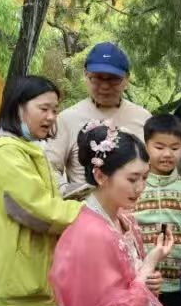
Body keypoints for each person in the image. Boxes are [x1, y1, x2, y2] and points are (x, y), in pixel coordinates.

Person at [0, 76, 83, 306]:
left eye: (55, 110)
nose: (51, 117)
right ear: (17, 107)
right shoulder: (5, 153)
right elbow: (38, 209)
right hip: (17, 285)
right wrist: (92, 215)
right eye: (43, 109)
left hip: (30, 283)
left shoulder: (25, 149)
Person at [49, 121, 172, 306]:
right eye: (132, 179)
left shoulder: (125, 219)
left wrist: (149, 281)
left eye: (145, 177)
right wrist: (148, 266)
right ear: (100, 176)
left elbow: (132, 287)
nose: (140, 187)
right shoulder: (90, 233)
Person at [45, 42, 151, 199]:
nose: (105, 86)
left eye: (114, 79)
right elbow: (50, 167)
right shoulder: (67, 119)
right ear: (85, 75)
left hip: (135, 212)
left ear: (126, 79)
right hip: (85, 212)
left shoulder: (143, 118)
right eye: (97, 78)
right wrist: (68, 192)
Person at [133, 114, 181, 306]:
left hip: (177, 285)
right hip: (140, 281)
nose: (167, 154)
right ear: (146, 145)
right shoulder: (135, 186)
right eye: (159, 147)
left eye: (174, 148)